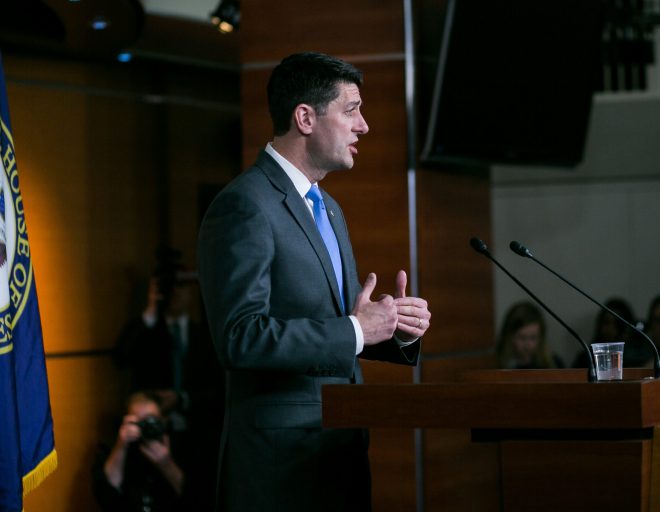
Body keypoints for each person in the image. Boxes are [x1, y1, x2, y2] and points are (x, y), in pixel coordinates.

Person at [196, 52, 431, 512]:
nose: (363, 126)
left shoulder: (328, 206)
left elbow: (334, 325)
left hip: (339, 450)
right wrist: (359, 329)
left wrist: (388, 327)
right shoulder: (245, 205)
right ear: (304, 117)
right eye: (351, 110)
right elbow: (240, 337)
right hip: (280, 468)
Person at [113, 247, 223, 511]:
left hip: (196, 438)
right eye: (170, 287)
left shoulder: (205, 336)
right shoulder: (147, 331)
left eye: (182, 286)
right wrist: (150, 310)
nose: (175, 292)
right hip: (149, 436)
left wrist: (182, 399)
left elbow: (220, 390)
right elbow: (120, 358)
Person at [91, 390, 192, 511]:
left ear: (163, 420)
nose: (147, 426)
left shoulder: (181, 447)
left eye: (152, 420)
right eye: (140, 422)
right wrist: (121, 445)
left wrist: (167, 465)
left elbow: (196, 498)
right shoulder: (113, 449)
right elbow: (106, 495)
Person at [571, 297, 649, 368]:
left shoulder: (639, 356)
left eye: (617, 323)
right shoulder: (586, 358)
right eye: (606, 322)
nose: (610, 328)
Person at [496, 301, 564, 369]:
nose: (528, 345)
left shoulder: (554, 363)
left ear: (541, 336)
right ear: (510, 336)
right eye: (522, 338)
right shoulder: (496, 363)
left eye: (533, 337)